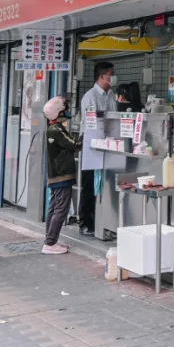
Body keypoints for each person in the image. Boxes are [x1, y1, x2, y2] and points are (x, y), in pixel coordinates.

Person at [79, 61, 116, 237]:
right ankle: (85, 221)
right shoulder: (90, 96)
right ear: (102, 76)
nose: (113, 77)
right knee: (89, 184)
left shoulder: (111, 96)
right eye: (111, 73)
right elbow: (91, 122)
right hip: (92, 146)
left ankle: (105, 221)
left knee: (105, 185)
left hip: (108, 146)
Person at [42, 96, 79, 254]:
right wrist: (89, 136)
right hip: (62, 174)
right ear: (59, 111)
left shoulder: (51, 128)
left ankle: (50, 239)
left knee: (54, 207)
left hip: (55, 174)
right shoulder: (57, 130)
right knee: (61, 208)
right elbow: (74, 144)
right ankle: (50, 243)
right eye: (65, 108)